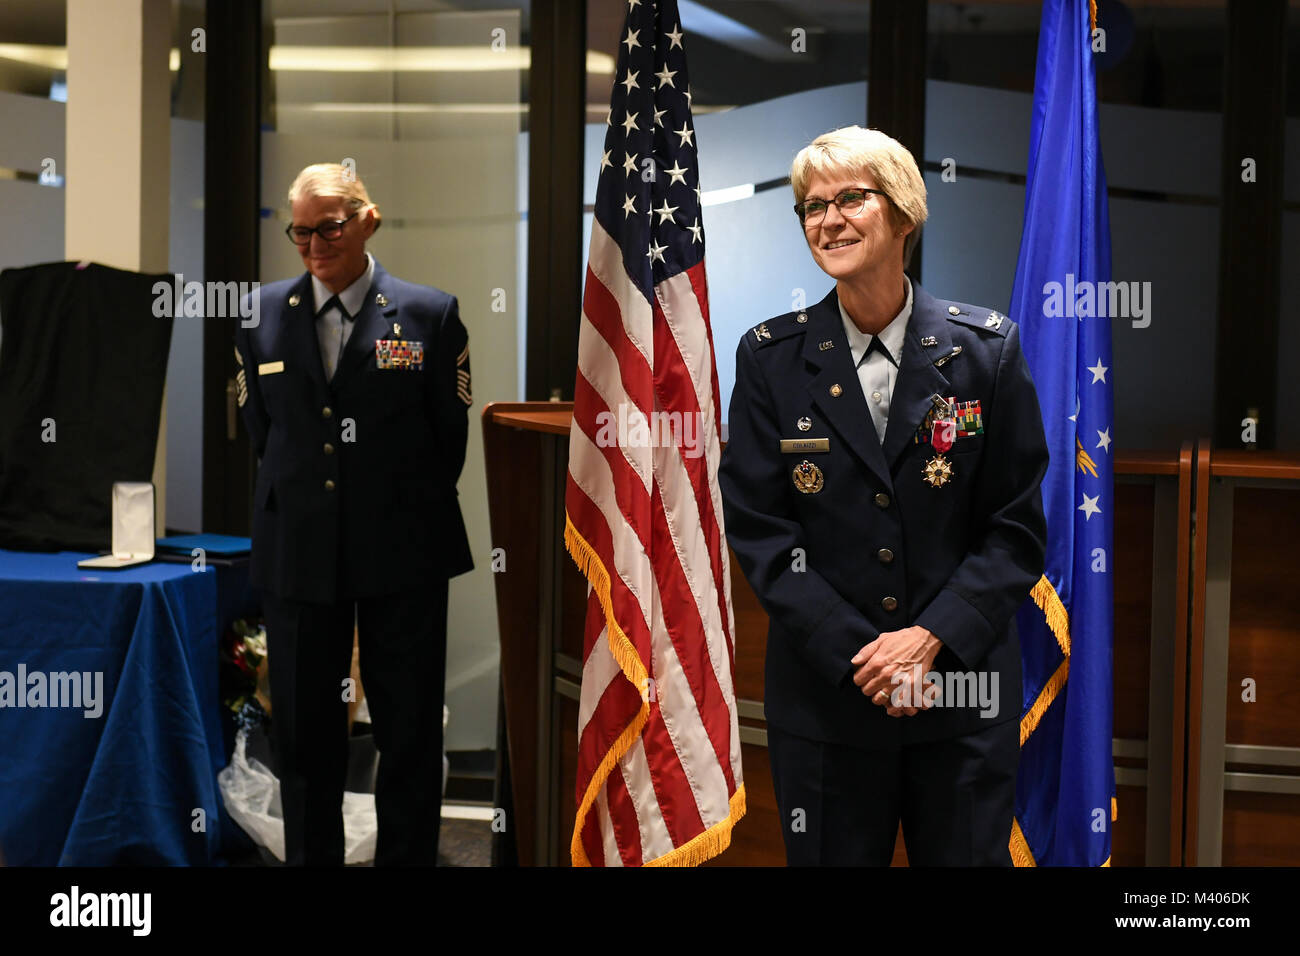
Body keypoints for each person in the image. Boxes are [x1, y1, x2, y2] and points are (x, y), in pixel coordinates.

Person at [719, 127, 1049, 866]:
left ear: (902, 213)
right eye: (811, 207)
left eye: (849, 200)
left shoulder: (984, 354)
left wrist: (927, 640)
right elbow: (761, 530)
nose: (827, 220)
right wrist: (862, 650)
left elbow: (1014, 530)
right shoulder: (771, 359)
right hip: (830, 703)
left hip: (959, 699)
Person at [234, 163, 473, 865]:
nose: (313, 246)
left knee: (407, 734)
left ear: (369, 219)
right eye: (300, 232)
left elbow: (446, 439)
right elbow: (261, 433)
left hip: (403, 550)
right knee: (305, 738)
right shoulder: (259, 314)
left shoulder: (429, 313)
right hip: (298, 552)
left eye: (329, 227)